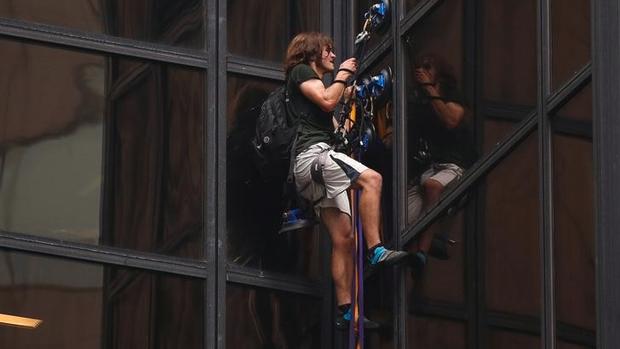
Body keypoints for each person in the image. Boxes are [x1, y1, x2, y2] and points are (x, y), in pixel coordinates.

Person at [285, 32, 408, 329]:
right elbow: (328, 100)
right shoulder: (301, 72)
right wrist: (342, 76)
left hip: (316, 163)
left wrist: (354, 93)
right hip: (313, 158)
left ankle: (346, 313)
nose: (332, 55)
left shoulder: (312, 92)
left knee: (343, 238)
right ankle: (376, 250)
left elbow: (333, 110)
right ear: (311, 52)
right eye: (328, 50)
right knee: (372, 180)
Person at [406, 53, 476, 269]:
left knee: (432, 186)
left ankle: (423, 253)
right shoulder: (418, 100)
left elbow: (451, 120)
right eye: (421, 67)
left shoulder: (452, 95)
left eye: (428, 66)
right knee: (407, 221)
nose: (423, 71)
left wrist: (429, 87)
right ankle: (414, 258)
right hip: (424, 167)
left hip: (452, 165)